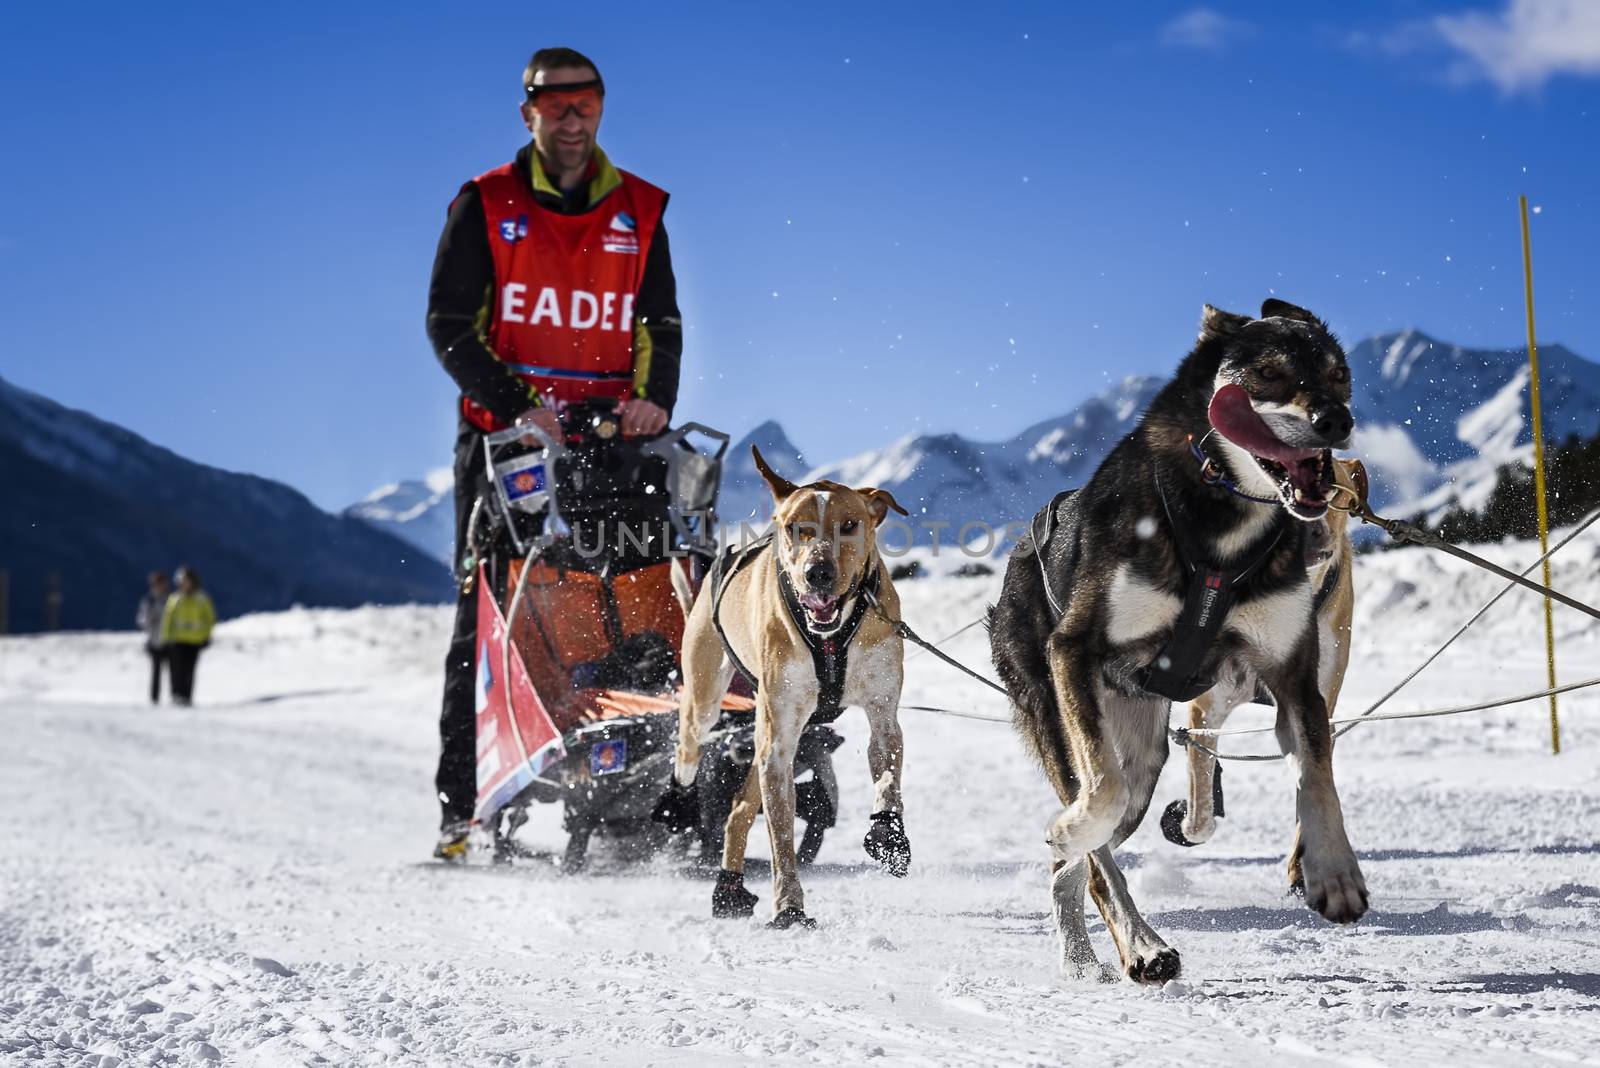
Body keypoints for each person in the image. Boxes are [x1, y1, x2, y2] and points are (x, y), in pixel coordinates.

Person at [425, 46, 683, 859]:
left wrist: (656, 400)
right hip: (509, 447)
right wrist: (518, 407)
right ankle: (462, 809)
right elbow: (448, 325)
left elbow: (661, 325)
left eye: (586, 104)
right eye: (556, 105)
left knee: (638, 600)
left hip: (614, 443)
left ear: (602, 108)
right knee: (493, 619)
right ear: (528, 112)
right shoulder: (486, 203)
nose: (572, 119)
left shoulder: (638, 209)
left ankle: (645, 781)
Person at [161, 566, 215, 707]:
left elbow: (209, 618)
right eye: (181, 581)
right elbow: (168, 619)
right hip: (177, 640)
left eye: (186, 580)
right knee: (176, 669)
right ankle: (176, 695)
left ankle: (187, 697)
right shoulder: (175, 598)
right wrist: (166, 638)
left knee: (189, 670)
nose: (183, 584)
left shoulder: (201, 598)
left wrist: (206, 636)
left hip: (194, 640)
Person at [135, 571, 171, 704]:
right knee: (156, 672)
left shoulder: (171, 599)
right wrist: (148, 621)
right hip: (154, 641)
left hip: (169, 641)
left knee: (173, 672)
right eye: (157, 584)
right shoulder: (148, 601)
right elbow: (140, 619)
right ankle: (154, 699)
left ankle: (175, 697)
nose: (160, 586)